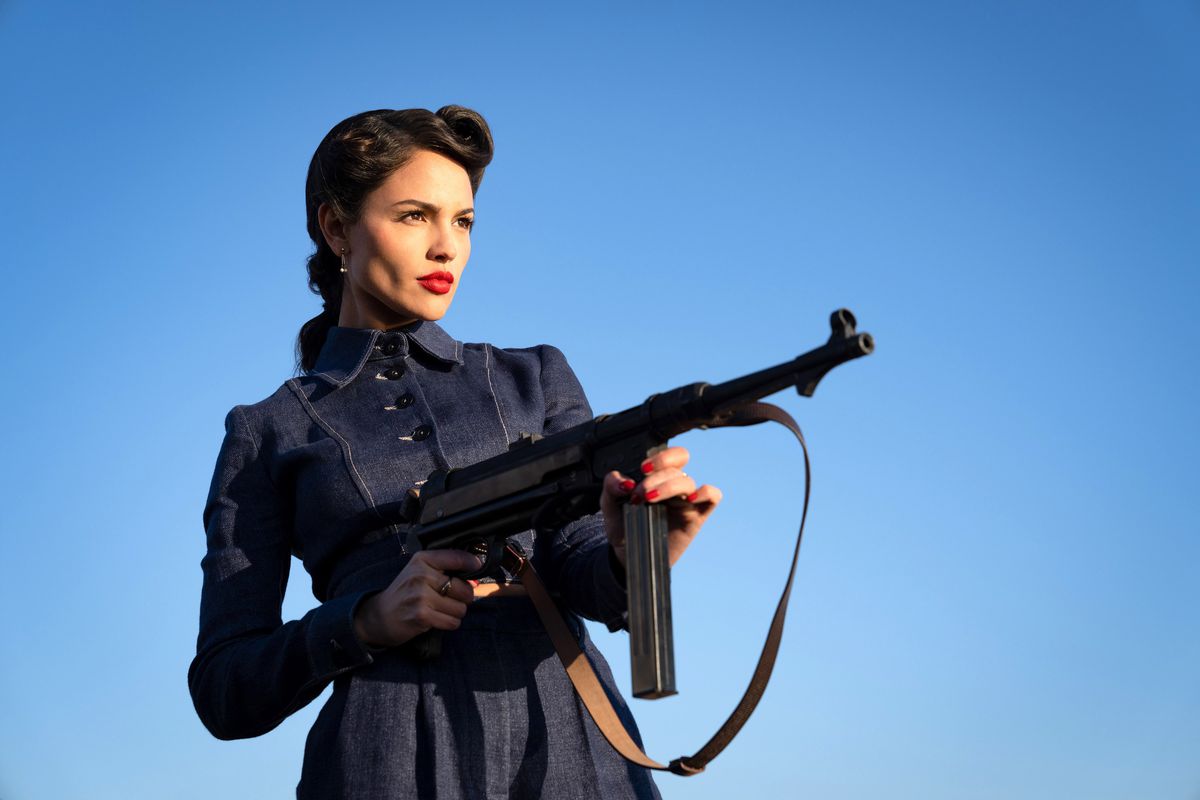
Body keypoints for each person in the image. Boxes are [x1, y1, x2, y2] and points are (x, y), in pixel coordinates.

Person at [189, 105, 721, 799]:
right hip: (384, 762)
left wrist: (633, 549)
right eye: (415, 215)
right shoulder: (268, 429)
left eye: (463, 221)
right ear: (336, 227)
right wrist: (364, 621)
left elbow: (581, 567)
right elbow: (226, 689)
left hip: (570, 741)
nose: (447, 247)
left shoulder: (535, 376)